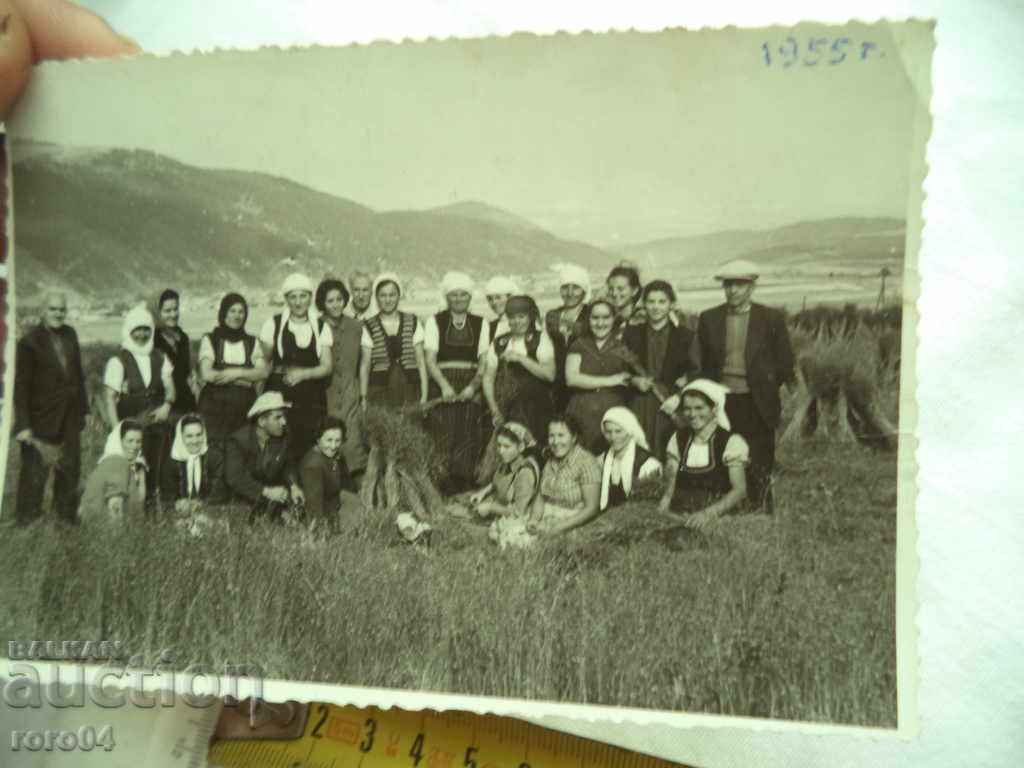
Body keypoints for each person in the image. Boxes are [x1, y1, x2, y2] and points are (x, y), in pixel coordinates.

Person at [689, 260, 794, 509]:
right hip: (721, 400)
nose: (733, 291)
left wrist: (764, 386)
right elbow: (700, 362)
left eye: (740, 285)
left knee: (758, 456)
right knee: (723, 453)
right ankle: (728, 507)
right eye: (728, 285)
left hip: (756, 401)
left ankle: (760, 508)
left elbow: (784, 363)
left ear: (752, 287)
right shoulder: (709, 318)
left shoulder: (771, 319)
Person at [12, 292, 89, 525]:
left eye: (62, 310)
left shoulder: (70, 334)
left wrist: (83, 411)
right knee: (34, 475)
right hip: (40, 420)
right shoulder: (29, 342)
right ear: (43, 311)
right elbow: (21, 386)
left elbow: (77, 375)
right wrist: (24, 426)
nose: (58, 314)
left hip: (70, 417)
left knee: (70, 470)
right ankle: (27, 522)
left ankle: (64, 521)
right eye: (53, 309)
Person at [488, 414, 602, 548]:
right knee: (498, 529)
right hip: (548, 512)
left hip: (572, 518)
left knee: (516, 540)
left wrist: (557, 528)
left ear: (574, 437)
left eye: (561, 435)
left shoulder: (586, 463)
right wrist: (534, 520)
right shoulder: (551, 461)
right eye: (551, 436)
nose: (555, 441)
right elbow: (540, 496)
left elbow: (592, 508)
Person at [424, 271, 490, 492]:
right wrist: (444, 386)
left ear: (470, 297)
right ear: (447, 297)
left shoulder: (482, 323)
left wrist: (473, 387)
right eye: (454, 295)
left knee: (468, 435)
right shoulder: (435, 321)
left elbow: (484, 361)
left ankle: (465, 489)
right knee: (442, 434)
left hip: (470, 383)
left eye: (464, 294)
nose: (459, 299)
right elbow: (430, 360)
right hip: (443, 384)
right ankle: (442, 488)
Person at [102, 303, 175, 501]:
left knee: (157, 464)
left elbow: (169, 387)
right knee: (130, 466)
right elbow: (110, 398)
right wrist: (116, 428)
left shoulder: (160, 357)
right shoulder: (118, 360)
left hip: (155, 421)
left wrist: (167, 405)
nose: (142, 335)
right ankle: (130, 507)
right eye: (137, 330)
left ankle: (154, 504)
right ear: (129, 330)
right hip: (130, 422)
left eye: (146, 329)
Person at [260, 273, 334, 461]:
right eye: (293, 297)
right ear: (286, 299)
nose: (298, 302)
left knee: (309, 445)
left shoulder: (321, 327)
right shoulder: (273, 324)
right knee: (280, 444)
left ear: (310, 298)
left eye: (303, 296)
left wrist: (303, 374)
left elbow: (326, 367)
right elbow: (262, 362)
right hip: (280, 395)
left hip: (311, 397)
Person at [658, 379, 750, 530]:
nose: (692, 414)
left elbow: (739, 490)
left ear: (714, 409)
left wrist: (707, 514)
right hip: (680, 512)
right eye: (687, 408)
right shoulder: (678, 438)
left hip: (717, 514)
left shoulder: (731, 442)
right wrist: (664, 505)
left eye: (700, 408)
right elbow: (671, 478)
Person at [623, 280, 695, 457]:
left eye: (662, 302)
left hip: (669, 403)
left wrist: (679, 397)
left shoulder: (686, 336)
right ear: (644, 304)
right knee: (639, 452)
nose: (656, 307)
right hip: (639, 403)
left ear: (671, 304)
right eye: (651, 301)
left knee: (670, 452)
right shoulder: (631, 333)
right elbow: (621, 369)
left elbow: (695, 371)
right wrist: (634, 380)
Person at [197, 292, 267, 464]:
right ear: (223, 314)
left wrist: (235, 374)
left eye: (241, 311)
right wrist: (244, 379)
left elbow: (263, 372)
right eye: (232, 311)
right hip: (214, 408)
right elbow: (207, 374)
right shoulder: (210, 340)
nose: (237, 316)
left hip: (244, 409)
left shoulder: (252, 342)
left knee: (241, 452)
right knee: (215, 453)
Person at [482, 294, 556, 446]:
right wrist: (494, 409)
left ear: (530, 317)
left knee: (535, 447)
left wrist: (521, 359)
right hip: (507, 409)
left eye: (521, 316)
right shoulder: (499, 342)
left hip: (536, 409)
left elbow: (550, 375)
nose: (516, 322)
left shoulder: (540, 339)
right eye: (512, 317)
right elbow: (488, 378)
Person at [564, 298, 633, 455]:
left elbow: (630, 378)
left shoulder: (622, 346)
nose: (600, 323)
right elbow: (571, 378)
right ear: (588, 320)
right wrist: (612, 380)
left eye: (605, 317)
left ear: (613, 319)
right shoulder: (579, 344)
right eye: (595, 318)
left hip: (612, 414)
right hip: (581, 413)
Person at [224, 391, 305, 521]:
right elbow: (235, 478)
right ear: (261, 421)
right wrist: (266, 491)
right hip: (241, 499)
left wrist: (294, 485)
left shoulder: (285, 435)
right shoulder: (238, 441)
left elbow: (288, 463)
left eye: (284, 416)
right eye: (277, 417)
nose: (284, 422)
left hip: (272, 497)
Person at [317, 278, 366, 478]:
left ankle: (358, 488)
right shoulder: (315, 325)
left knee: (353, 443)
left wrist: (363, 395)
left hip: (350, 394)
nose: (336, 304)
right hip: (324, 396)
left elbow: (364, 364)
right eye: (330, 301)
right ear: (322, 303)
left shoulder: (357, 327)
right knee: (328, 441)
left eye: (339, 299)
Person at [359, 272, 428, 410]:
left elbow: (421, 362)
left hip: (410, 390)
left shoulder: (412, 321)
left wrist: (424, 396)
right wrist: (364, 397)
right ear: (377, 298)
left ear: (399, 296)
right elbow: (365, 366)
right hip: (379, 392)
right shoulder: (369, 325)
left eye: (392, 295)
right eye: (383, 295)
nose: (388, 300)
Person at [465, 421, 541, 521]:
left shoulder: (525, 473)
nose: (501, 451)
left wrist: (491, 507)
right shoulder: (508, 462)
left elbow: (518, 512)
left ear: (521, 447)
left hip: (520, 518)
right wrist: (483, 492)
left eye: (506, 446)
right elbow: (498, 481)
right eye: (499, 445)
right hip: (501, 505)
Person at [77, 419, 147, 525]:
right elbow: (115, 504)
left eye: (138, 441)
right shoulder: (117, 462)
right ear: (119, 441)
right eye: (130, 441)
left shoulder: (122, 463)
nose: (135, 446)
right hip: (104, 529)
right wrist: (116, 539)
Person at [544, 263, 591, 410]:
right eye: (565, 287)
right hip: (556, 384)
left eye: (575, 287)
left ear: (584, 291)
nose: (570, 293)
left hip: (583, 381)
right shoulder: (552, 315)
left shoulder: (592, 314)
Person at [597, 407, 662, 511]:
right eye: (608, 432)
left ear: (629, 431)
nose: (613, 437)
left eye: (618, 431)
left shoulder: (648, 464)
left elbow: (648, 506)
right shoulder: (603, 459)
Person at [298, 416, 356, 532]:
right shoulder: (313, 465)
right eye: (329, 440)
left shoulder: (337, 456)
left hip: (335, 505)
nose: (333, 446)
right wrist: (319, 527)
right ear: (318, 439)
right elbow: (314, 505)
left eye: (338, 441)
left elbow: (347, 485)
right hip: (320, 512)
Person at [159, 413, 225, 511]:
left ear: (204, 434)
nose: (195, 441)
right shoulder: (171, 461)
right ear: (181, 437)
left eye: (199, 435)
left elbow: (219, 491)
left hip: (209, 509)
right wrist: (177, 504)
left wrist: (202, 503)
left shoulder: (214, 457)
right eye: (189, 436)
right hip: (180, 512)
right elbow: (167, 496)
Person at [153, 288, 197, 417]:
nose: (173, 314)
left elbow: (190, 371)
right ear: (157, 312)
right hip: (162, 403)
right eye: (167, 311)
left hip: (185, 401)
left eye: (175, 309)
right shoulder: (152, 339)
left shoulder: (183, 338)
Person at [604, 263, 645, 336]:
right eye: (611, 289)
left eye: (620, 289)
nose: (614, 293)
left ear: (634, 290)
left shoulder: (642, 320)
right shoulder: (610, 320)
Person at [483, 275, 518, 340]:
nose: (494, 302)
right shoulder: (490, 327)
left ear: (510, 297)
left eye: (498, 297)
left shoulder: (522, 324)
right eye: (490, 299)